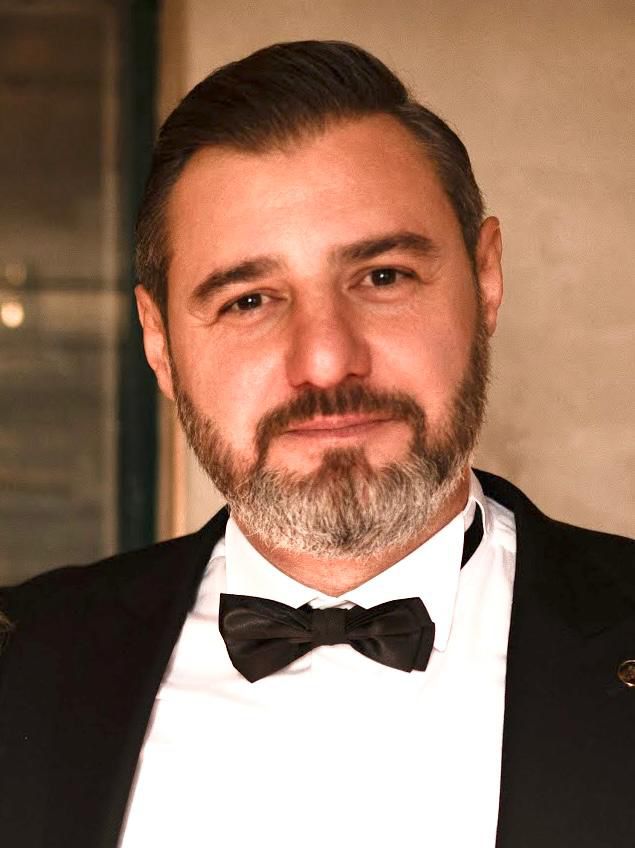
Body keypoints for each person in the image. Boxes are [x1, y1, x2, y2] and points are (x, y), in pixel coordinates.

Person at [0, 40, 633, 848]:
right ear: (159, 343)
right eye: (249, 299)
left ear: (484, 281)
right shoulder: (22, 669)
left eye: (382, 277)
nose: (326, 359)